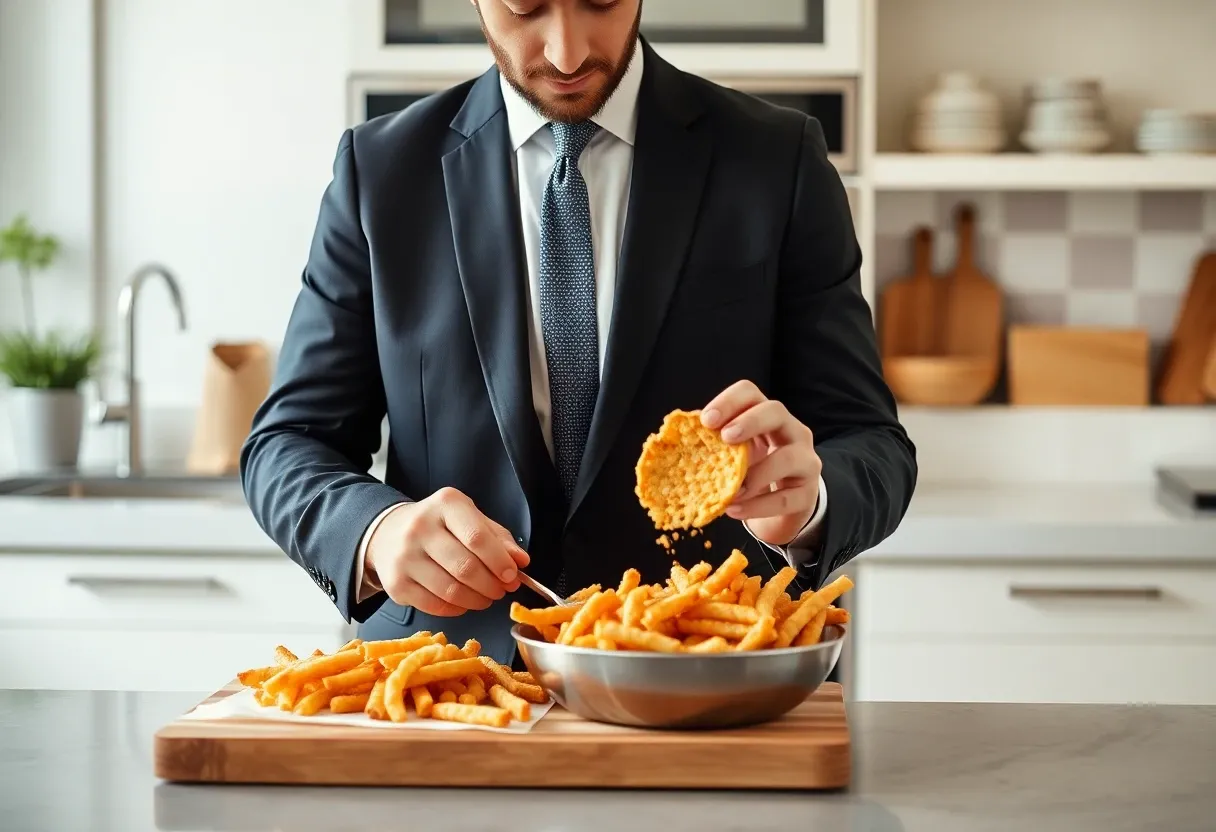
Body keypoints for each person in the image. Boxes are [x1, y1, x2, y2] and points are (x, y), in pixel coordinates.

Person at [240, 0, 917, 666]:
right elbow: (288, 443)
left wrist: (811, 501)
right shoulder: (381, 171)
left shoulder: (778, 160)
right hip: (448, 683)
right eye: (525, 6)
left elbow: (873, 442)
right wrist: (375, 531)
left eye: (601, 0)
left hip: (707, 677)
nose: (567, 53)